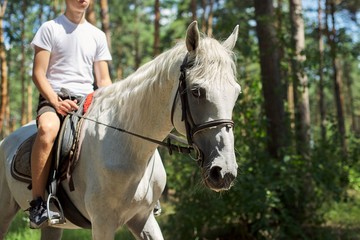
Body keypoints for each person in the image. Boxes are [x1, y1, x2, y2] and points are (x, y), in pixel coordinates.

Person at [28, 0, 112, 229]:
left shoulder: (97, 35)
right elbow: (38, 74)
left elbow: (103, 81)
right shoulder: (50, 28)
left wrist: (109, 104)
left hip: (87, 102)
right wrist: (56, 102)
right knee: (47, 130)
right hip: (53, 98)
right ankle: (36, 203)